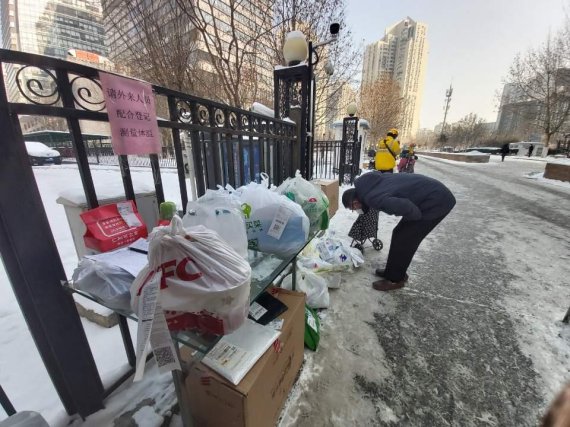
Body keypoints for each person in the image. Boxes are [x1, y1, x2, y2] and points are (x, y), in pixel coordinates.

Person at [342, 172, 456, 291]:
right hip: (429, 193)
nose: (355, 210)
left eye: (353, 209)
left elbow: (407, 207)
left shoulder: (373, 198)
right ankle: (392, 271)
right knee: (399, 233)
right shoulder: (368, 186)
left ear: (355, 202)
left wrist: (414, 222)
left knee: (405, 239)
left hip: (436, 201)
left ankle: (395, 279)